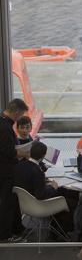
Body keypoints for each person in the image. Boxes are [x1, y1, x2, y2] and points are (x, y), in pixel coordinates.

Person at [14, 141, 79, 235]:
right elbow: (41, 195)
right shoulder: (37, 171)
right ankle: (63, 230)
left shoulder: (20, 166)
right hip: (39, 205)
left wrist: (46, 184)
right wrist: (53, 187)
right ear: (43, 156)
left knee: (63, 192)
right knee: (70, 199)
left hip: (25, 204)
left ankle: (56, 227)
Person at [0, 99, 30, 241]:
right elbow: (9, 151)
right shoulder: (5, 128)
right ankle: (6, 235)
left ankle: (17, 229)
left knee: (11, 201)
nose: (20, 118)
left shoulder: (3, 122)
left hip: (5, 171)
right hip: (6, 172)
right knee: (7, 203)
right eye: (21, 114)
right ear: (16, 111)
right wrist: (26, 153)